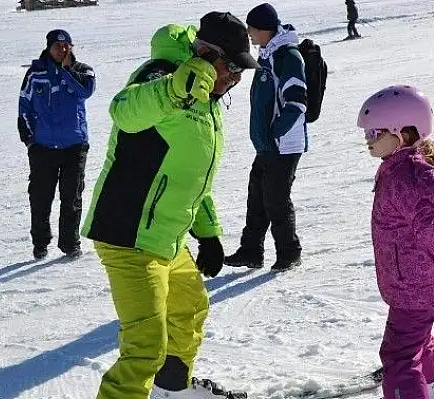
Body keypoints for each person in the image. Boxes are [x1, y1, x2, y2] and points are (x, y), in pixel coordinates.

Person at [81, 11, 260, 399]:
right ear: (204, 53)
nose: (236, 78)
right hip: (128, 233)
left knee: (189, 311)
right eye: (231, 67)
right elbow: (124, 111)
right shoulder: (162, 75)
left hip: (168, 237)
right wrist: (172, 90)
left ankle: (171, 391)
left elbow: (193, 175)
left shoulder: (208, 100)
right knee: (144, 347)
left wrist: (208, 234)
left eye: (241, 71)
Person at [356, 85, 434, 399]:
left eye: (374, 132)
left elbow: (430, 228)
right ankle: (433, 389)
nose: (367, 139)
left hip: (415, 284)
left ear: (402, 133)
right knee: (417, 340)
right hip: (415, 282)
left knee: (399, 356)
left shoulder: (403, 177)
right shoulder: (399, 169)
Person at [224, 3, 307, 272]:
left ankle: (289, 252)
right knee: (256, 198)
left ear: (263, 29)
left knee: (276, 200)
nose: (248, 33)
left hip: (283, 145)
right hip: (267, 144)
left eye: (251, 28)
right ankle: (251, 251)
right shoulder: (268, 54)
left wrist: (275, 133)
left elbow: (297, 103)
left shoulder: (288, 56)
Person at [18, 29, 95, 260]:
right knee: (40, 198)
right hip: (43, 148)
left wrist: (67, 70)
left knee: (71, 197)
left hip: (74, 146)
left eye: (66, 46)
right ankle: (40, 243)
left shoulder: (83, 71)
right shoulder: (35, 73)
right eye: (57, 46)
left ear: (71, 47)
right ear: (49, 47)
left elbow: (86, 91)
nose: (61, 50)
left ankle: (70, 244)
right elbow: (25, 107)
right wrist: (30, 141)